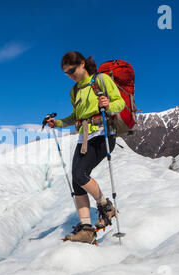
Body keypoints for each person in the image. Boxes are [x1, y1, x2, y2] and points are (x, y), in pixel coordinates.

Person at [47, 51, 125, 244]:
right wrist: (57, 123)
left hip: (103, 134)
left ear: (82, 64)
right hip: (84, 138)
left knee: (80, 174)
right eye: (66, 73)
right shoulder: (74, 91)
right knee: (76, 180)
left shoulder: (101, 80)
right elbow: (76, 116)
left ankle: (105, 205)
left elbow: (120, 103)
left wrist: (109, 104)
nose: (70, 75)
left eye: (72, 70)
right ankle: (86, 230)